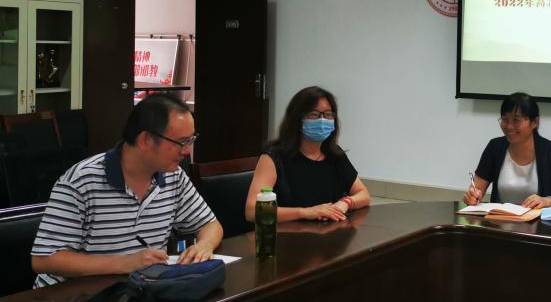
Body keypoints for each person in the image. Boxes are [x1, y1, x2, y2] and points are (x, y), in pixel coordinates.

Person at [31, 95, 223, 287]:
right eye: (181, 142)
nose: (187, 151)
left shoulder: (173, 176)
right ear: (146, 140)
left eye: (191, 140)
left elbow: (210, 225)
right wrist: (126, 263)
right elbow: (44, 259)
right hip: (73, 293)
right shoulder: (81, 181)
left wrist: (204, 246)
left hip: (138, 289)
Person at [245, 86, 370, 223]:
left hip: (330, 232)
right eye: (314, 114)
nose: (322, 120)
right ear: (297, 119)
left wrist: (345, 203)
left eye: (328, 114)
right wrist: (305, 212)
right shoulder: (273, 157)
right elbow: (252, 211)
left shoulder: (335, 154)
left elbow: (363, 194)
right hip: (288, 233)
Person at [464, 92, 551, 210]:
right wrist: (471, 196)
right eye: (505, 119)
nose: (509, 126)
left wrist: (547, 201)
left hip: (538, 221)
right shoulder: (495, 147)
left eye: (516, 120)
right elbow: (476, 189)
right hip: (499, 219)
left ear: (535, 122)